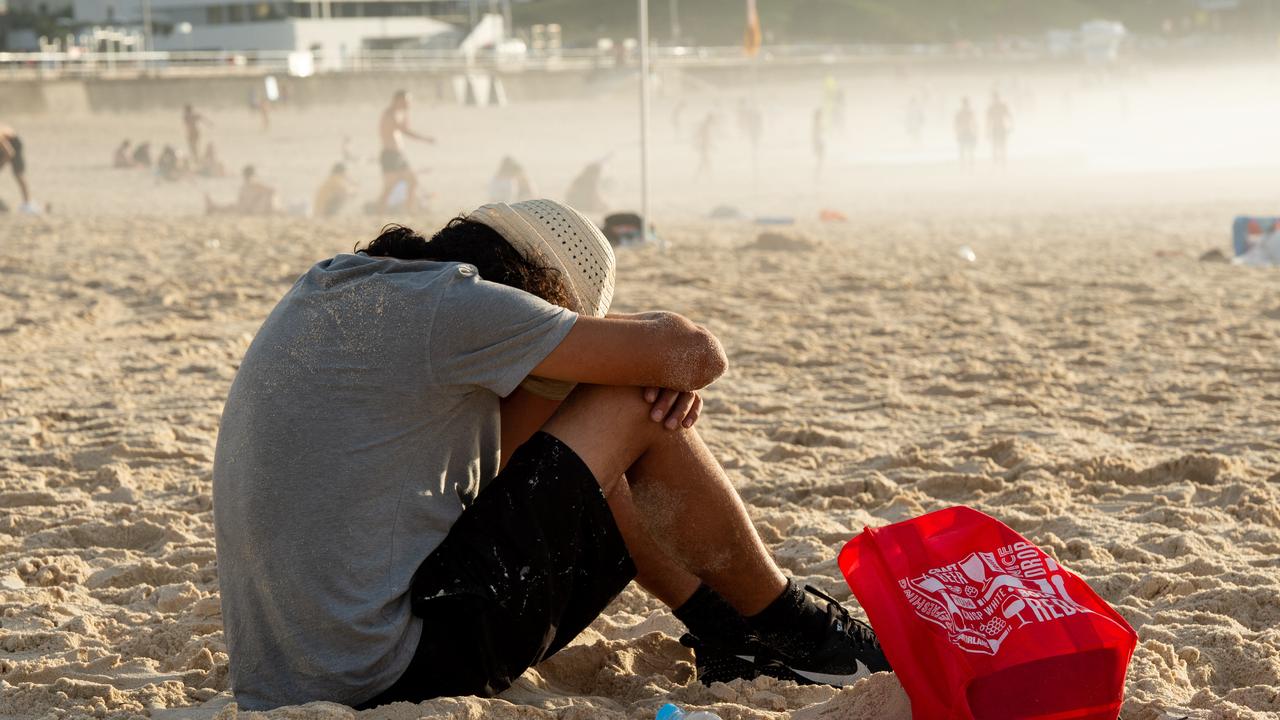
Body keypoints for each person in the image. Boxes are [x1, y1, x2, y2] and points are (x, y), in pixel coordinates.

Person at [212, 199, 890, 711]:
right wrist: (616, 360)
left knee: (602, 422)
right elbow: (694, 354)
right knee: (630, 403)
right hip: (386, 671)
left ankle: (727, 633)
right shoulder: (459, 306)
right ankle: (804, 635)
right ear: (531, 294)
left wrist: (585, 369)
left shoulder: (345, 287)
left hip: (286, 676)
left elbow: (503, 469)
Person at [376, 90, 435, 214]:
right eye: (406, 101)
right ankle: (380, 211)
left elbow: (404, 127)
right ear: (398, 100)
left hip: (398, 155)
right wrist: (425, 139)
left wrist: (405, 113)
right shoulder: (390, 114)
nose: (409, 104)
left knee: (413, 180)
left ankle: (410, 210)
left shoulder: (398, 113)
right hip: (390, 155)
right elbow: (405, 130)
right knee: (389, 187)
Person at [205, 165, 278, 215]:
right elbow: (271, 190)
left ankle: (212, 207)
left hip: (248, 210)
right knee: (229, 207)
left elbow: (271, 191)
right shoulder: (252, 184)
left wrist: (256, 201)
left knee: (229, 208)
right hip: (247, 209)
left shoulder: (252, 184)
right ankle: (212, 206)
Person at [0, 123, 32, 209]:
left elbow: (10, 153)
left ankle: (27, 204)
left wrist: (1, 165)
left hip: (14, 143)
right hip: (4, 146)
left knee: (18, 174)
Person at [986, 91, 1013, 167]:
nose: (995, 100)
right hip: (995, 128)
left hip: (1001, 127)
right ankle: (997, 163)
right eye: (994, 98)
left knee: (1002, 146)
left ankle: (1002, 163)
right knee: (995, 146)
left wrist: (1011, 126)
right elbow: (988, 120)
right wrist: (987, 131)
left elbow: (1009, 116)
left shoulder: (1001, 106)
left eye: (995, 98)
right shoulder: (991, 108)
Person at [954, 97, 978, 168]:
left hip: (967, 132)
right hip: (965, 132)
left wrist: (975, 132)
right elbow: (956, 124)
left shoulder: (968, 113)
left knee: (967, 149)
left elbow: (974, 123)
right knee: (964, 149)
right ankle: (965, 164)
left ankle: (968, 164)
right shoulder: (962, 113)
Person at [811, 108, 826, 180]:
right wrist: (816, 144)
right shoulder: (817, 123)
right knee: (819, 159)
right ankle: (817, 175)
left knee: (820, 159)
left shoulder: (817, 123)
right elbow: (815, 134)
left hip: (819, 141)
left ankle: (817, 174)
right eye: (820, 114)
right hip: (818, 142)